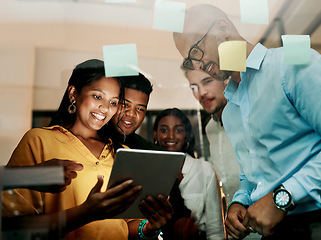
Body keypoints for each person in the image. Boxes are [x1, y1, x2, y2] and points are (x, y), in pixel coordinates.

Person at [173, 4, 321, 240]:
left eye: (196, 53)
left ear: (221, 28)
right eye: (190, 63)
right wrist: (239, 202)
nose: (198, 66)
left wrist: (282, 197)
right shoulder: (231, 110)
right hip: (274, 231)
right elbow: (252, 174)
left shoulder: (292, 64)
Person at [2, 59, 173, 240]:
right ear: (73, 93)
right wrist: (87, 212)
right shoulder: (39, 140)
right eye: (98, 97)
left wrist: (149, 227)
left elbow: (126, 226)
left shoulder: (122, 152)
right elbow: (13, 227)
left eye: (113, 102)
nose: (105, 108)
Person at [102, 74, 200, 240]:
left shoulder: (154, 154)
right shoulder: (90, 144)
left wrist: (182, 223)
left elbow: (177, 210)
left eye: (140, 109)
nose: (132, 115)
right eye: (125, 105)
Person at [153, 108, 225, 240]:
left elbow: (215, 230)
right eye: (164, 130)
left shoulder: (205, 170)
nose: (171, 136)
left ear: (186, 135)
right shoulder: (147, 170)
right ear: (155, 134)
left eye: (178, 130)